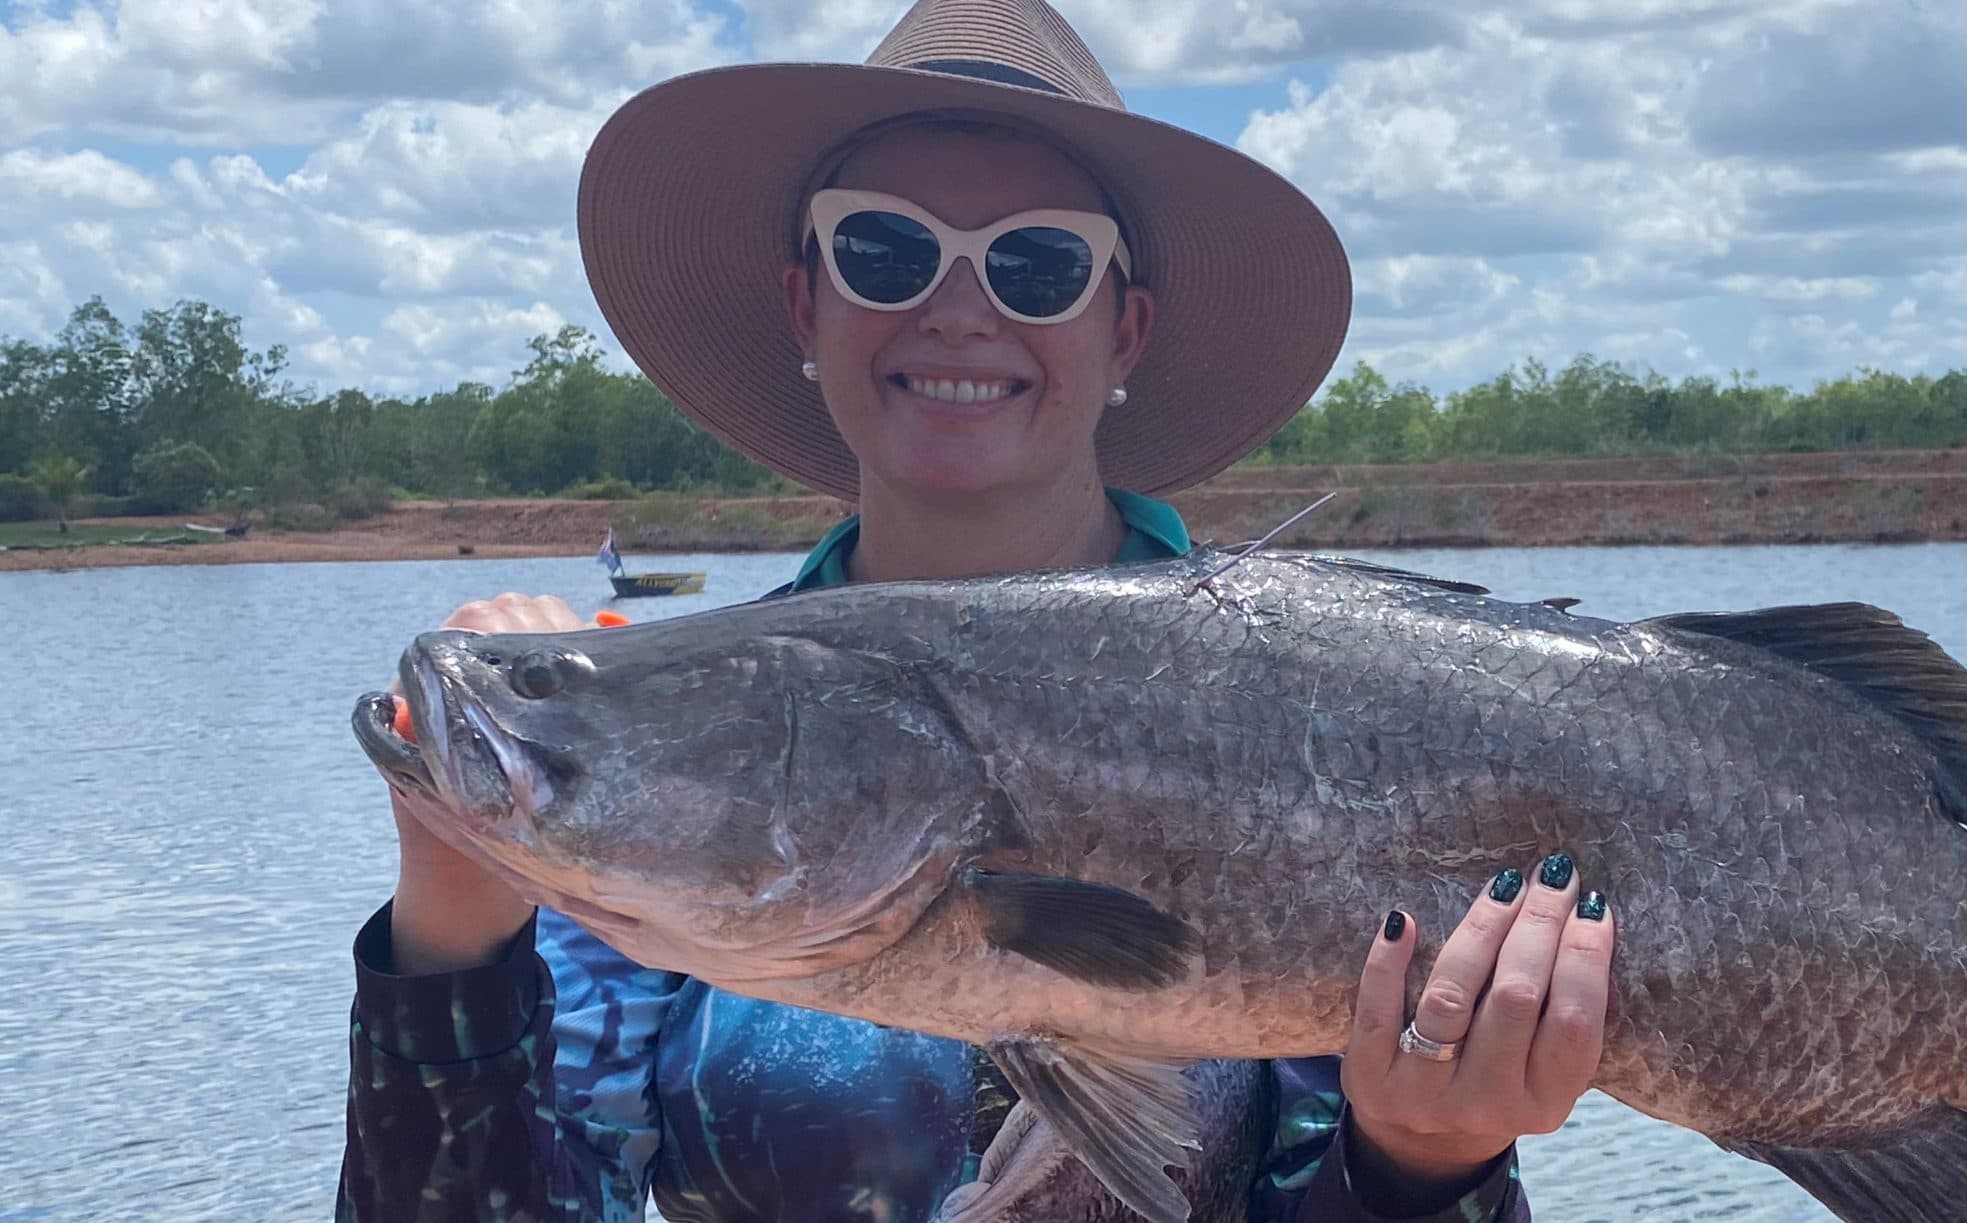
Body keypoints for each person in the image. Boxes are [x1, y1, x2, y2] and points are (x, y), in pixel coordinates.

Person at [336, 1, 1619, 1218]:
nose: (958, 306)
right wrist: (450, 929)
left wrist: (1426, 1157)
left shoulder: (1315, 701)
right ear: (806, 301)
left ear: (1126, 329)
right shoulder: (655, 759)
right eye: (883, 248)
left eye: (1037, 262)